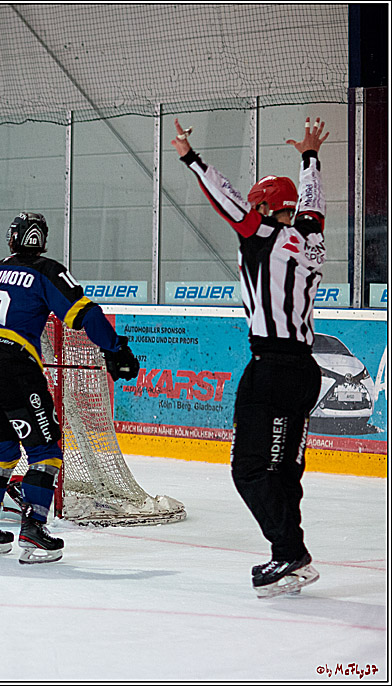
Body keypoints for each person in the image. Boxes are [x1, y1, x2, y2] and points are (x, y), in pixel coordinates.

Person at [0, 212, 140, 563]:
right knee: (46, 451)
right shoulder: (47, 271)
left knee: (2, 450)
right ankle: (34, 529)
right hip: (18, 371)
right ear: (42, 242)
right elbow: (86, 314)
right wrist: (116, 349)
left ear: (11, 239)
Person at [171, 117, 328, 598]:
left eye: (258, 207)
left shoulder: (263, 235)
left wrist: (190, 158)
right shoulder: (312, 239)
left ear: (264, 208)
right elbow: (314, 205)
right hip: (305, 370)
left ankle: (289, 553)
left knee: (249, 469)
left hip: (270, 370)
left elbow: (227, 200)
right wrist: (310, 158)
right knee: (284, 472)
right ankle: (291, 555)